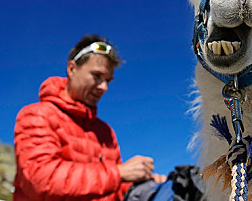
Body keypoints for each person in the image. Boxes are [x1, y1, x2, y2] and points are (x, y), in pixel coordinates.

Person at [13, 35, 166, 201]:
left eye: (108, 80)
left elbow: (114, 188)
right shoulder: (38, 114)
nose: (104, 87)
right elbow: (41, 179)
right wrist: (119, 173)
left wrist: (146, 183)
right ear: (72, 69)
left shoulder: (105, 132)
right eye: (97, 76)